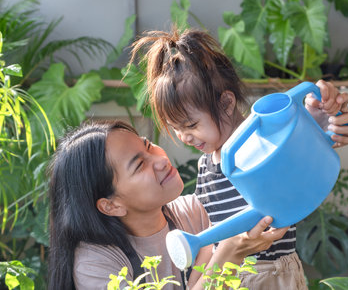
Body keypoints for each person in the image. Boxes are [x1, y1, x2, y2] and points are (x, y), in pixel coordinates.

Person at [129, 28, 348, 289]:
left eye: (191, 125)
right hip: (232, 275)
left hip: (274, 273)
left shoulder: (261, 141)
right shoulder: (206, 165)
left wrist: (317, 125)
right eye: (177, 129)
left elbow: (301, 169)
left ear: (226, 103)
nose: (184, 137)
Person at [47, 120, 288, 290]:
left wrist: (319, 121)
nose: (160, 160)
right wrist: (227, 256)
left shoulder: (194, 212)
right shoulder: (96, 264)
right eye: (139, 165)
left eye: (148, 146)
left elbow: (272, 186)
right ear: (112, 205)